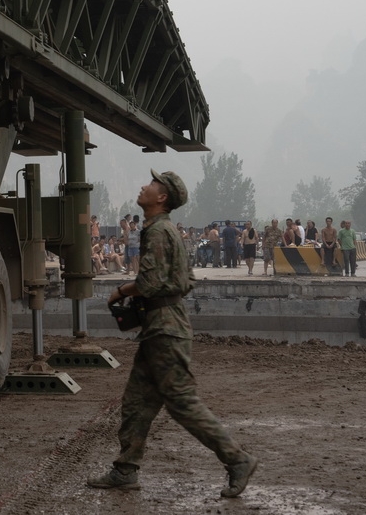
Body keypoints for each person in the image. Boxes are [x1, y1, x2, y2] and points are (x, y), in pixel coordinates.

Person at [88, 170, 258, 498]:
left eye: (151, 184)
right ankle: (125, 470)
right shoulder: (166, 231)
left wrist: (120, 290)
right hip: (162, 326)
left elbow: (150, 284)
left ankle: (238, 459)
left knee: (181, 401)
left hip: (165, 329)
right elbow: (186, 278)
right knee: (137, 402)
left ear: (162, 197)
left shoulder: (157, 232)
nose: (143, 186)